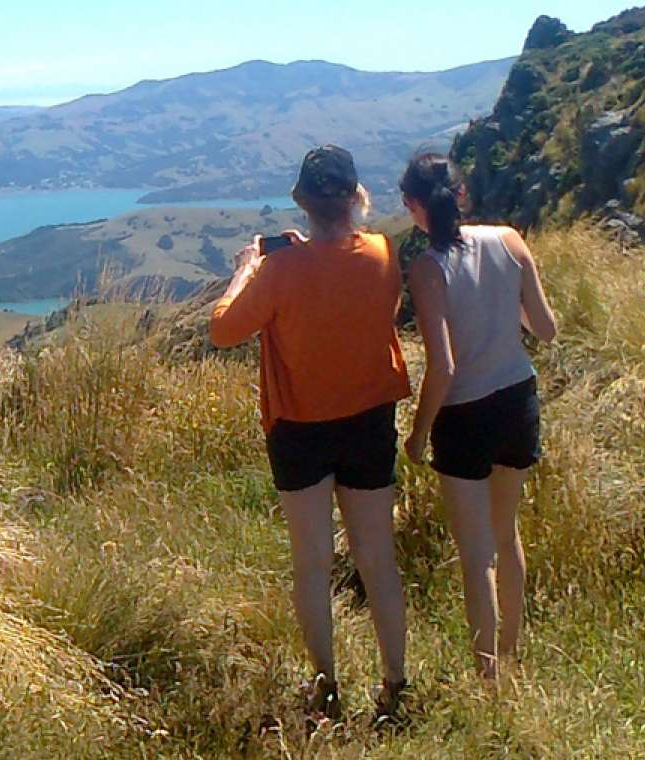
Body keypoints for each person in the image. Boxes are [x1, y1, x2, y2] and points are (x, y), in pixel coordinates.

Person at [208, 145, 414, 728]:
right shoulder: (381, 250)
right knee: (378, 558)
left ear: (300, 201)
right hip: (369, 417)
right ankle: (396, 684)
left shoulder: (279, 269)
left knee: (312, 562)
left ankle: (326, 690)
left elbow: (223, 331)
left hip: (299, 427)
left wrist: (247, 268)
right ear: (356, 198)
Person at [397, 153, 558, 680]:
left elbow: (442, 366)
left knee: (476, 555)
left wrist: (418, 435)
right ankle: (513, 657)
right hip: (517, 396)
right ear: (461, 195)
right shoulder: (510, 241)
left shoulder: (426, 268)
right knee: (506, 534)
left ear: (414, 207)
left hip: (464, 413)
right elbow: (547, 328)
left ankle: (486, 678)